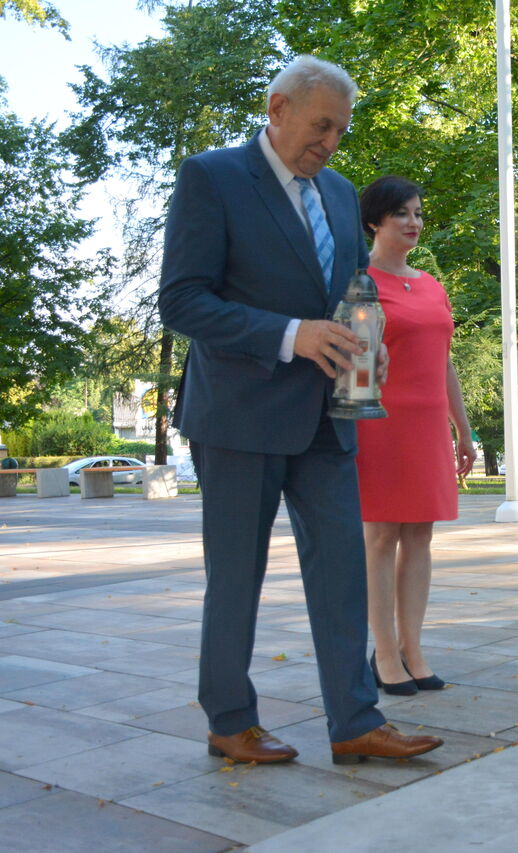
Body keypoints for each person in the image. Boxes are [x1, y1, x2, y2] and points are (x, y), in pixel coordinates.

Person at [158, 55, 443, 765]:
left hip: (327, 417)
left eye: (341, 132)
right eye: (321, 126)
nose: (330, 144)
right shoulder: (212, 178)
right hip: (238, 417)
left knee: (344, 568)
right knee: (237, 575)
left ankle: (355, 720)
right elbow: (183, 300)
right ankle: (231, 719)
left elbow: (353, 287)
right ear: (277, 107)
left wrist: (365, 337)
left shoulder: (343, 193)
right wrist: (291, 336)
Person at [355, 175, 476, 695]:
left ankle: (414, 648)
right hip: (379, 422)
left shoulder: (430, 284)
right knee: (382, 537)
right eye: (402, 213)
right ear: (374, 221)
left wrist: (463, 431)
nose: (413, 223)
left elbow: (443, 361)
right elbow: (354, 363)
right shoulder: (358, 282)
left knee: (421, 537)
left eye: (419, 213)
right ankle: (383, 654)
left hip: (427, 425)